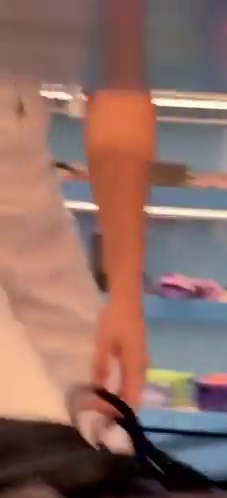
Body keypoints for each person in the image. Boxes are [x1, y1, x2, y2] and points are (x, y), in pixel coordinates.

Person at [0, 1, 154, 422]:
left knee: (101, 419)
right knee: (29, 424)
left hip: (24, 176)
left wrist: (125, 299)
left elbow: (119, 88)